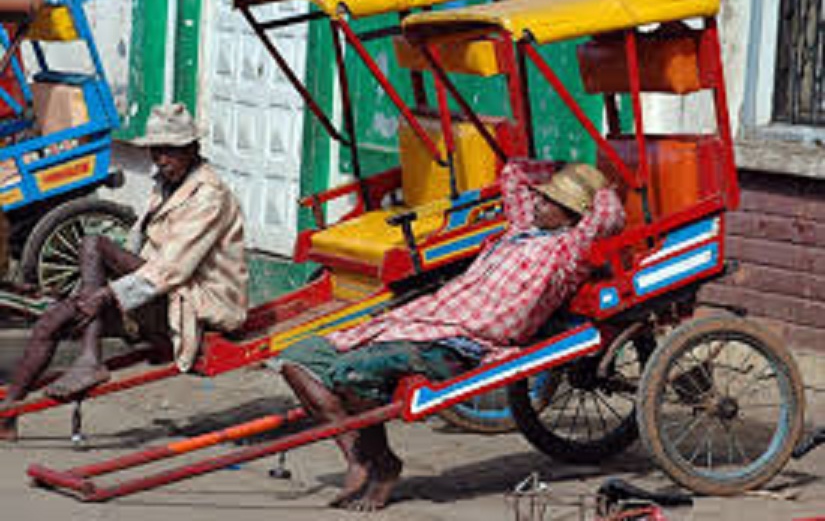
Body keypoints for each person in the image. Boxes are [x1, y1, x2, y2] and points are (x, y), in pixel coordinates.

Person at [275, 159, 626, 511]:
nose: (537, 203)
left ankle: (382, 466)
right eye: (540, 198)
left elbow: (608, 216)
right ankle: (360, 458)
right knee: (297, 358)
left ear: (571, 214)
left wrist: (599, 186)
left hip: (461, 341)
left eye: (549, 201)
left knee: (350, 373)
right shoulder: (521, 229)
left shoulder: (569, 250)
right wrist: (561, 167)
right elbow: (514, 174)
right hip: (421, 319)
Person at [0, 103, 248, 440]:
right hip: (156, 294)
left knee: (94, 244)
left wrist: (106, 294)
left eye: (170, 151)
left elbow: (172, 269)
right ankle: (9, 413)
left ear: (192, 149)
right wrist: (88, 296)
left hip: (196, 304)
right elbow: (139, 248)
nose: (161, 159)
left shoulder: (209, 196)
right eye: (156, 151)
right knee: (51, 321)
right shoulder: (165, 184)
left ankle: (90, 359)